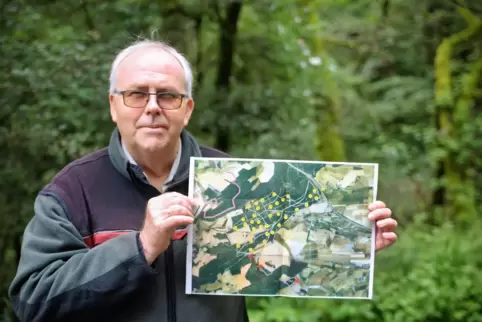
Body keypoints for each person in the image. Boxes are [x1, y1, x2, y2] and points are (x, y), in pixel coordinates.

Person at [8, 40, 398, 322]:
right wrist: (140, 247)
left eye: (168, 96)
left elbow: (279, 257)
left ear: (188, 109)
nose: (153, 108)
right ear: (113, 105)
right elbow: (33, 302)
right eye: (136, 95)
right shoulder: (72, 190)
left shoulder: (235, 176)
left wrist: (350, 247)